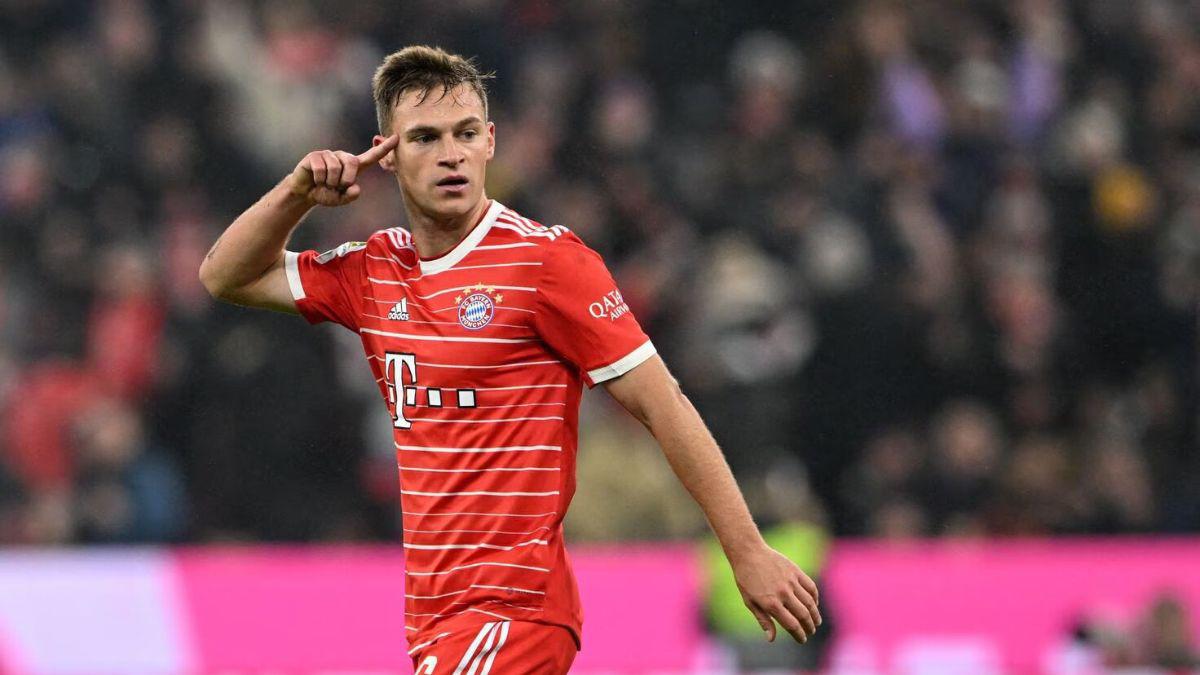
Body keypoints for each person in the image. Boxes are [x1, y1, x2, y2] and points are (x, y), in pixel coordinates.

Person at [199, 45, 820, 673]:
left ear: (490, 142)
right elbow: (226, 276)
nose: (451, 154)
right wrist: (299, 193)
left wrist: (745, 550)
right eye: (425, 137)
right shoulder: (374, 271)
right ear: (386, 154)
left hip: (516, 609)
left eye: (466, 133)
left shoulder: (547, 264)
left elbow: (666, 406)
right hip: (434, 617)